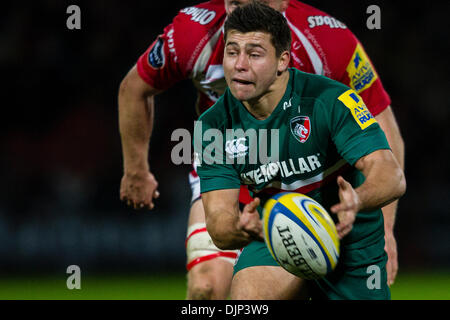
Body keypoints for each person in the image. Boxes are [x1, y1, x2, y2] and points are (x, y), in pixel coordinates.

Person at [118, 0, 404, 299]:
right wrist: (136, 169)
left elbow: (383, 146)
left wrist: (382, 222)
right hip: (243, 175)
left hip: (328, 196)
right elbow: (133, 88)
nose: (240, 63)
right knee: (208, 289)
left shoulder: (328, 44)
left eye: (254, 54)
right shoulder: (194, 37)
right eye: (234, 3)